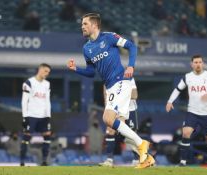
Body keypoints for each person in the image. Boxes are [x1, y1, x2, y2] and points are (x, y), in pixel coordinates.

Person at [67, 13, 154, 169]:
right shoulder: (86, 48)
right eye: (82, 24)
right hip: (110, 86)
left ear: (94, 25)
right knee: (119, 128)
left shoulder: (109, 37)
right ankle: (146, 157)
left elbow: (131, 46)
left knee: (108, 119)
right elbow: (91, 72)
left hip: (121, 81)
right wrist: (76, 69)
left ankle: (142, 144)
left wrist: (131, 66)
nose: (82, 26)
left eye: (85, 24)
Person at [166, 55, 207, 167]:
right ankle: (183, 162)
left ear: (203, 63)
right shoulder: (187, 77)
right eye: (196, 62)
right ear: (192, 64)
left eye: (200, 62)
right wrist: (169, 101)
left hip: (206, 114)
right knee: (186, 133)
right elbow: (177, 89)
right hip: (192, 112)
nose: (198, 64)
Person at [99, 78, 140, 167]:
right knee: (110, 130)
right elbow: (106, 94)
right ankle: (109, 160)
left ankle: (137, 159)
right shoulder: (108, 77)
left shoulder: (129, 78)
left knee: (132, 134)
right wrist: (108, 108)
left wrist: (120, 93)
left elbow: (135, 95)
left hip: (130, 109)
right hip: (115, 109)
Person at [20, 63, 52, 166]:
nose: (47, 74)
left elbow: (47, 101)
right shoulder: (29, 82)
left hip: (43, 116)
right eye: (45, 71)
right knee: (26, 138)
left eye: (48, 72)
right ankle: (22, 162)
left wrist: (48, 116)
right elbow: (24, 101)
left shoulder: (47, 84)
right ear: (40, 69)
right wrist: (25, 117)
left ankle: (44, 161)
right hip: (31, 115)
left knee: (47, 137)